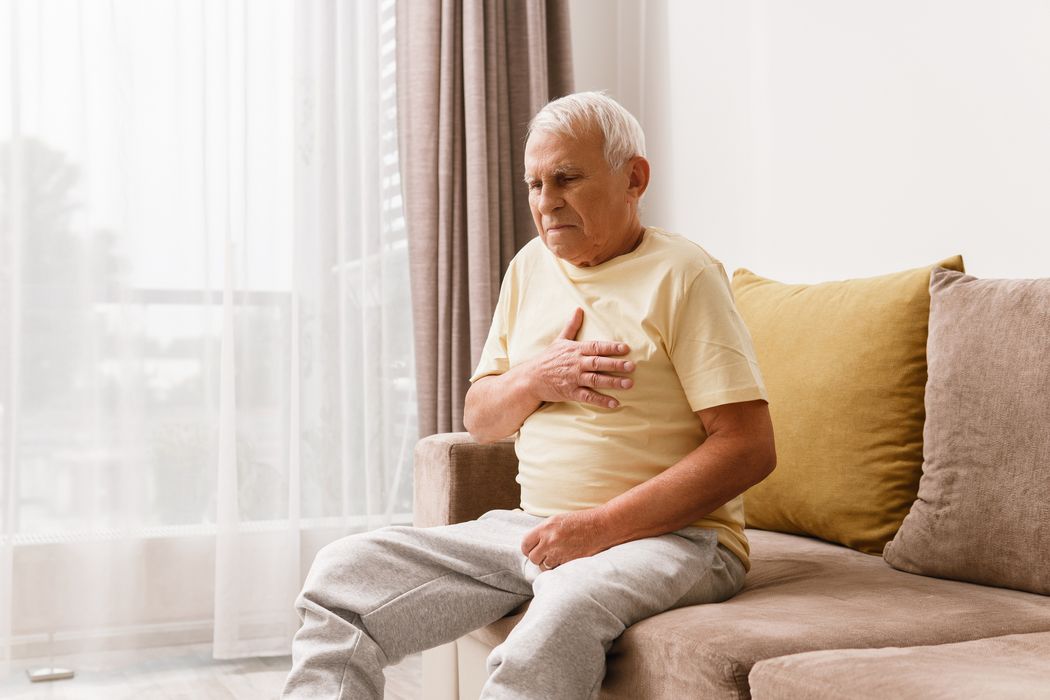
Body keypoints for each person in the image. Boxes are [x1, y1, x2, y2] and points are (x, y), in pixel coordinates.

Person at [282, 91, 776, 700]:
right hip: (531, 529)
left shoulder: (686, 274)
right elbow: (482, 418)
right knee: (343, 576)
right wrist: (538, 377)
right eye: (535, 184)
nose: (546, 204)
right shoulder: (528, 268)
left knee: (568, 600)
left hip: (677, 539)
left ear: (634, 178)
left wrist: (597, 528)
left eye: (566, 179)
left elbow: (748, 447)